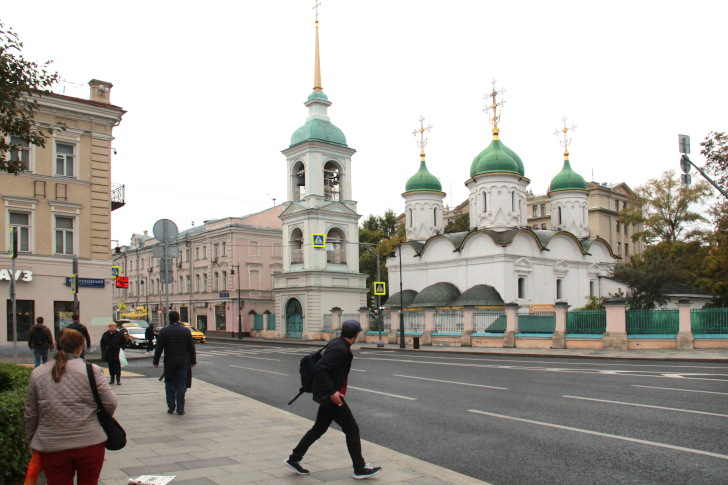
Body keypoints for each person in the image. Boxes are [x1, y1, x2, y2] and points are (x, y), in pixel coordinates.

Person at [285, 320, 382, 480]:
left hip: (327, 394)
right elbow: (320, 368)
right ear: (357, 334)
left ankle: (294, 459)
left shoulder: (337, 342)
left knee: (319, 428)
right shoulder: (341, 349)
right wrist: (332, 392)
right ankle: (359, 468)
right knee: (352, 429)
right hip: (330, 396)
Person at [24, 328, 118, 485]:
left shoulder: (38, 373)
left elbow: (31, 414)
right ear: (79, 348)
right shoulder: (91, 370)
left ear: (56, 346)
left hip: (51, 445)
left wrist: (31, 442)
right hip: (89, 442)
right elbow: (111, 403)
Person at [153, 311, 196, 415]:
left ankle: (171, 406)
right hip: (183, 362)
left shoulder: (164, 331)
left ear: (169, 319)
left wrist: (156, 361)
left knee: (169, 383)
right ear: (179, 318)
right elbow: (191, 347)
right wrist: (193, 361)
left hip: (169, 362)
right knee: (181, 384)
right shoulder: (186, 331)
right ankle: (180, 409)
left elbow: (159, 348)